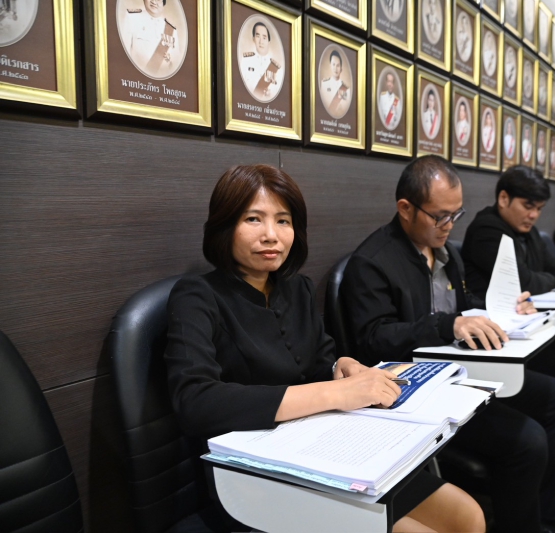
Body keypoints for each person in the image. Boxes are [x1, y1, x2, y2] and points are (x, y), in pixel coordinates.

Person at [164, 164, 485, 533]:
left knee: (468, 515)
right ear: (225, 225)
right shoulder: (197, 295)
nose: (271, 235)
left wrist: (340, 367)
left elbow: (318, 362)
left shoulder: (297, 288)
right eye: (253, 219)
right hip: (254, 478)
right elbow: (196, 402)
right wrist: (334, 392)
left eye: (283, 221)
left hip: (323, 450)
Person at [340, 155, 555, 533]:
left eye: (456, 214)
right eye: (440, 216)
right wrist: (445, 324)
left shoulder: (447, 253)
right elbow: (373, 339)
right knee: (528, 440)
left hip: (462, 371)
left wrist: (506, 311)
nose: (450, 225)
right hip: (416, 390)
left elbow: (463, 307)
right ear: (405, 209)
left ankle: (549, 517)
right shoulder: (372, 262)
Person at [460, 165, 555, 451]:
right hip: (503, 338)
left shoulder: (525, 230)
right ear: (503, 198)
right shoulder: (487, 230)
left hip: (532, 326)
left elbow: (552, 265)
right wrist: (553, 279)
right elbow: (525, 282)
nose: (533, 215)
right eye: (528, 206)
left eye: (539, 209)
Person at [120, 0, 180, 78]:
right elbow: (123, 57)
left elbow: (175, 65)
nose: (154, 2)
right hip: (136, 80)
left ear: (163, 2)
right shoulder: (132, 18)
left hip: (162, 83)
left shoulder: (172, 30)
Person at [241, 21, 282, 102]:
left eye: (264, 38)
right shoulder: (245, 61)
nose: (261, 41)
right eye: (258, 36)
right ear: (253, 39)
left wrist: (270, 94)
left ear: (268, 41)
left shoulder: (276, 68)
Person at [320, 50, 349, 117]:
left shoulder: (346, 90)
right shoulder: (324, 84)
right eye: (333, 64)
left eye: (338, 65)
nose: (335, 68)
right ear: (330, 65)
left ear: (341, 68)